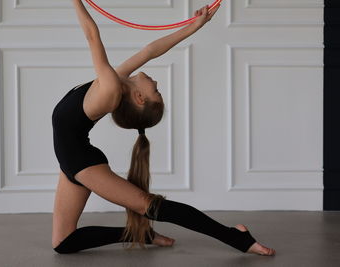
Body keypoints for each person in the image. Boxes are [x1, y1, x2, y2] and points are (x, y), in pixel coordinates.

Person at [51, 0, 276, 256]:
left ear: (139, 99)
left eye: (155, 91)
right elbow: (150, 50)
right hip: (70, 161)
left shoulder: (111, 88)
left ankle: (237, 237)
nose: (155, 82)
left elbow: (92, 36)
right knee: (64, 243)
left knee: (152, 207)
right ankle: (141, 233)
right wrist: (195, 26)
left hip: (82, 163)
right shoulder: (117, 83)